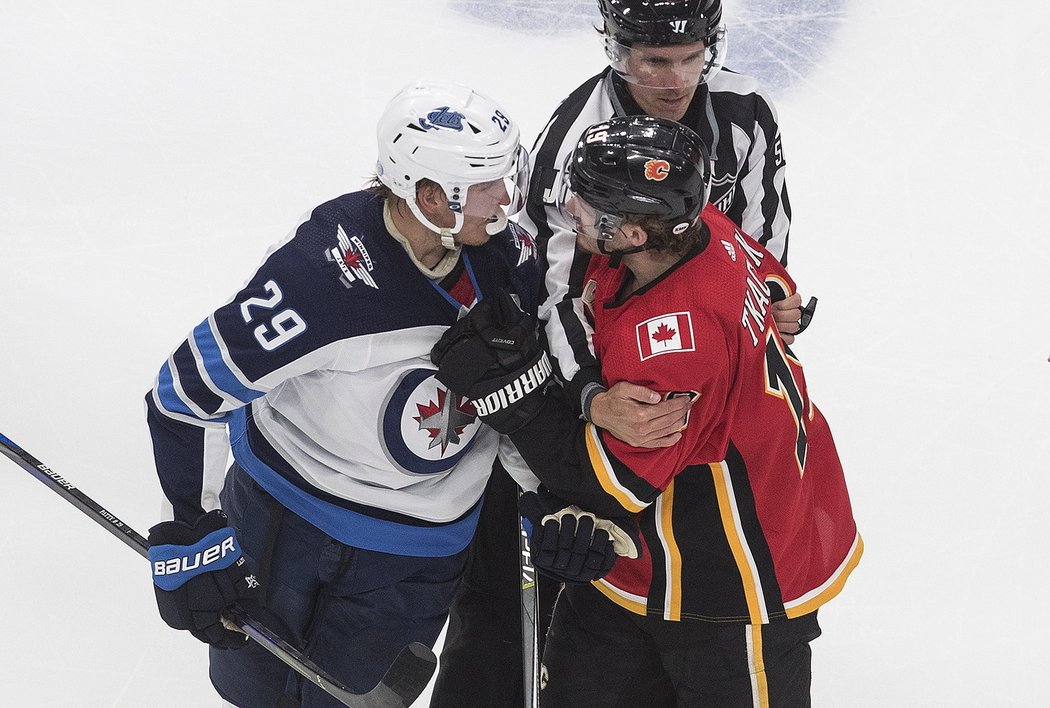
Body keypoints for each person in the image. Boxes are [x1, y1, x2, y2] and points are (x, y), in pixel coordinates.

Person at [431, 1, 813, 705]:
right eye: (653, 60)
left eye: (691, 56)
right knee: (522, 600)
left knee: (613, 540)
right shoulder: (574, 145)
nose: (675, 78)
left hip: (694, 437)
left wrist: (773, 302)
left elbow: (763, 242)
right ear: (615, 49)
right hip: (605, 368)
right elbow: (556, 293)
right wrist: (586, 396)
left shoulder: (743, 116)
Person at [142, 80, 540, 707]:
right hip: (285, 525)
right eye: (486, 183)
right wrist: (195, 526)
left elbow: (520, 402)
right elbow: (182, 395)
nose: (508, 197)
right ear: (431, 196)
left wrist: (548, 490)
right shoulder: (318, 280)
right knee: (253, 692)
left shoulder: (506, 260)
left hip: (419, 555)